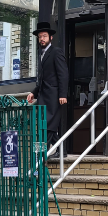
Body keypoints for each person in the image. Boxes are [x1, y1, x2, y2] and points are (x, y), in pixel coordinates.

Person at [26, 21, 68, 152]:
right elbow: (43, 78)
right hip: (44, 97)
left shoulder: (56, 52)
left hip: (54, 97)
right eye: (39, 37)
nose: (41, 39)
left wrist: (62, 94)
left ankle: (40, 156)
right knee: (46, 126)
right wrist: (34, 92)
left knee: (47, 127)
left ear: (51, 37)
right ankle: (61, 152)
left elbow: (63, 74)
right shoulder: (41, 54)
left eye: (44, 36)